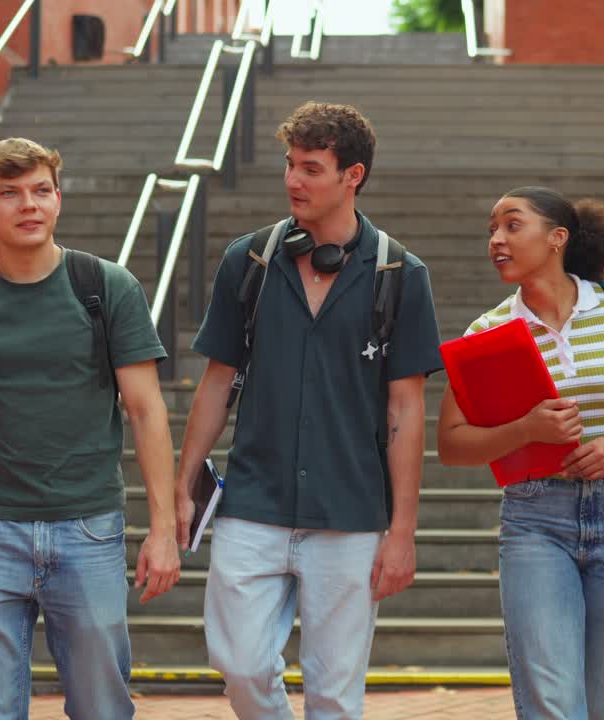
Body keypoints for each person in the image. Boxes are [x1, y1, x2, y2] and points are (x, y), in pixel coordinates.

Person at [176, 101, 443, 719]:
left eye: (312, 169)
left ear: (354, 176)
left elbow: (406, 412)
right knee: (240, 666)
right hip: (251, 505)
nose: (294, 180)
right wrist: (182, 487)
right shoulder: (251, 262)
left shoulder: (401, 275)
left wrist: (401, 532)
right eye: (290, 165)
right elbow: (216, 383)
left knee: (333, 694)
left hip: (350, 514)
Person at [0, 138, 179, 719]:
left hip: (87, 529)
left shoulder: (105, 287)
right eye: (9, 193)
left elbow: (147, 411)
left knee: (102, 708)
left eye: (40, 191)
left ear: (58, 200)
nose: (28, 205)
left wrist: (162, 531)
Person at [436, 186, 604, 720]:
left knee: (599, 697)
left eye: (512, 225)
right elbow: (451, 443)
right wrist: (525, 429)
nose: (496, 239)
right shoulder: (489, 332)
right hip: (535, 518)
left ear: (557, 238)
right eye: (492, 230)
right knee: (552, 697)